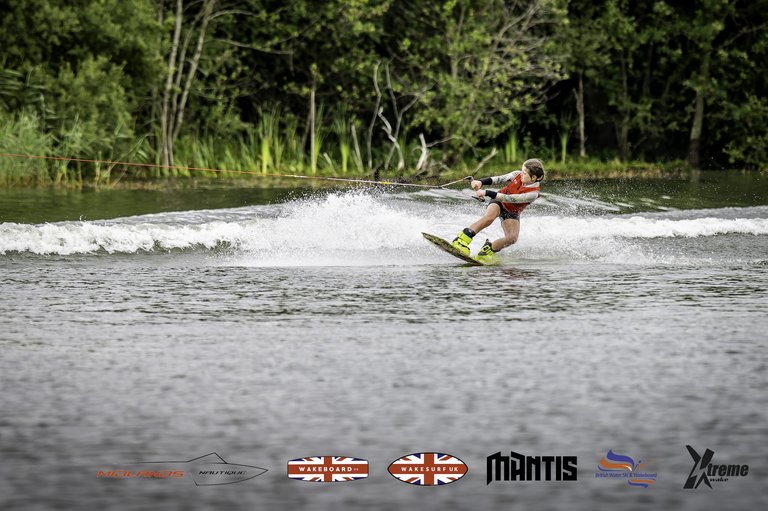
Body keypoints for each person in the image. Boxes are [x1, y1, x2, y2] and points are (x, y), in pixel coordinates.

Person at [451, 158, 544, 264]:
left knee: (512, 238)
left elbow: (510, 199)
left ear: (533, 177)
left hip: (511, 211)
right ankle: (461, 240)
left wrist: (486, 192)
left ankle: (486, 251)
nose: (521, 174)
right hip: (499, 202)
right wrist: (480, 182)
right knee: (490, 217)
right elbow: (498, 179)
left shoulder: (533, 194)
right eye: (522, 171)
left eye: (524, 173)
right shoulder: (516, 174)